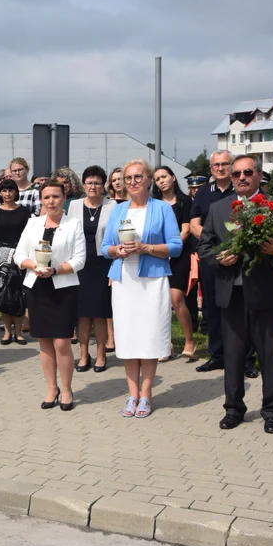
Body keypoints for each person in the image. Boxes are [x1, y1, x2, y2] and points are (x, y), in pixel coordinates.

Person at [197, 155, 273, 434]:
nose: (241, 177)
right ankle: (234, 409)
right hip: (232, 293)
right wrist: (218, 259)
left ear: (260, 175)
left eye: (247, 172)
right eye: (236, 173)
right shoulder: (218, 209)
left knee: (270, 355)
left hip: (266, 293)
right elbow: (204, 249)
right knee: (234, 355)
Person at [101, 160, 182, 419]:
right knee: (127, 337)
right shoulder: (118, 210)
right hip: (124, 281)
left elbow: (176, 246)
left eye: (138, 177)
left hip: (152, 280)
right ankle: (132, 394)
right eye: (128, 178)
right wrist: (118, 251)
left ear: (148, 179)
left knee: (148, 336)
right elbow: (105, 248)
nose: (133, 182)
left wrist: (145, 248)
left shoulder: (161, 209)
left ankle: (146, 395)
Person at [14, 180, 86, 411]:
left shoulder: (73, 224)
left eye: (55, 196)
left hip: (63, 287)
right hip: (37, 286)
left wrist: (55, 270)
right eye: (46, 197)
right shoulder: (32, 223)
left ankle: (66, 389)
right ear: (41, 200)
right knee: (44, 342)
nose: (51, 201)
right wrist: (33, 265)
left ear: (64, 198)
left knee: (62, 342)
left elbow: (79, 260)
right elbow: (18, 255)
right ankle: (51, 388)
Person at [191, 150, 256, 377]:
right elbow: (194, 224)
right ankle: (217, 354)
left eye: (225, 164)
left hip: (244, 262)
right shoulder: (203, 193)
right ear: (211, 169)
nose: (221, 168)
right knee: (212, 307)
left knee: (246, 310)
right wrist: (218, 247)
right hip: (216, 259)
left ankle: (247, 359)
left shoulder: (240, 188)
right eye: (216, 165)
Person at [67, 166, 115, 372]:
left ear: (103, 185)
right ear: (83, 185)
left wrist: (114, 269)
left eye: (97, 182)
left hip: (102, 263)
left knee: (100, 313)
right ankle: (84, 354)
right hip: (80, 264)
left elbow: (117, 238)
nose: (93, 186)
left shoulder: (112, 206)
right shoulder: (74, 205)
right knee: (83, 314)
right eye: (89, 182)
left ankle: (101, 354)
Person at [153, 165, 197, 360]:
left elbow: (186, 231)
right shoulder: (153, 204)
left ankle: (189, 341)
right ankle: (165, 344)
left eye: (164, 176)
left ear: (172, 178)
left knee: (176, 299)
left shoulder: (185, 201)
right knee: (158, 302)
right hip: (156, 256)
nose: (161, 181)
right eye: (157, 179)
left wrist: (170, 250)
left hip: (179, 255)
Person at [0, 179, 32, 345]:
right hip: (0, 260)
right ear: (0, 193)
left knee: (18, 296)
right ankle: (7, 332)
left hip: (20, 257)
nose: (7, 194)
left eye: (10, 190)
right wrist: (4, 252)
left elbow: (27, 235)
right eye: (4, 191)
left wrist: (16, 253)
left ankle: (19, 333)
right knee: (4, 296)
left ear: (16, 192)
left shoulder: (24, 212)